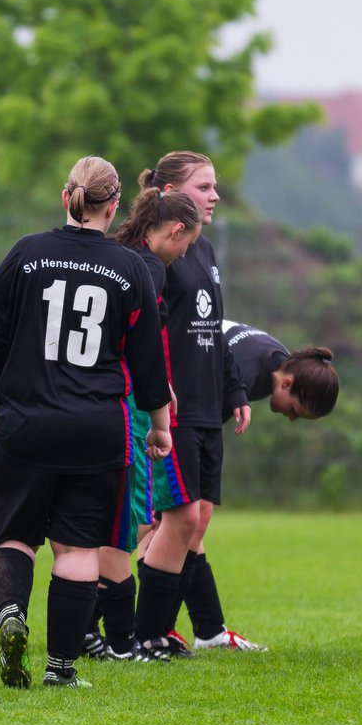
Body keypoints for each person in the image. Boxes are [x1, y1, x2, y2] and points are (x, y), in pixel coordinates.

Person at [0, 155, 173, 688]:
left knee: (13, 538)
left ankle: (11, 615)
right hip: (96, 430)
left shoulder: (25, 254)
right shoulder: (131, 268)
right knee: (79, 548)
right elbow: (150, 364)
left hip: (25, 423)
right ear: (112, 207)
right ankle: (61, 670)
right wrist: (159, 427)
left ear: (67, 198)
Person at [129, 150, 261, 658]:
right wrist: (158, 393)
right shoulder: (152, 254)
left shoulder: (200, 248)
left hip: (208, 406)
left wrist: (234, 388)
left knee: (195, 521)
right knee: (177, 521)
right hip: (175, 409)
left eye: (214, 186)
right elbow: (148, 336)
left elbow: (216, 326)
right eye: (204, 188)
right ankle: (146, 634)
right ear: (169, 195)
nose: (215, 196)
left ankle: (187, 630)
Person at [85, 186, 202, 661]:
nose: (184, 254)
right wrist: (157, 393)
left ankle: (95, 630)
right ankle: (112, 634)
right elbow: (142, 339)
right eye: (186, 244)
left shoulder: (113, 251)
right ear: (174, 230)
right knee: (130, 514)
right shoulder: (148, 267)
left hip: (83, 395)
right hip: (126, 399)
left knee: (102, 514)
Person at [221, 320, 339, 423]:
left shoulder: (282, 359)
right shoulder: (242, 376)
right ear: (286, 384)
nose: (291, 418)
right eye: (294, 410)